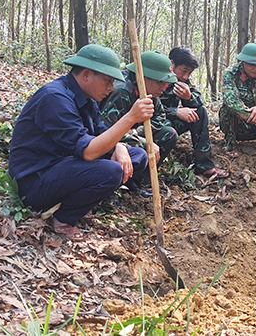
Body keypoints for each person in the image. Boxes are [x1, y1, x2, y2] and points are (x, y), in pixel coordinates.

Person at [8, 44, 154, 241]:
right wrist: (130, 118)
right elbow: (88, 152)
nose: (111, 88)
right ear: (86, 74)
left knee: (137, 156)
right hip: (35, 181)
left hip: (65, 164)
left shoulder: (87, 100)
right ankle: (62, 218)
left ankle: (83, 195)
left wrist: (119, 146)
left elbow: (101, 133)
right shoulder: (55, 97)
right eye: (107, 81)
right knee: (111, 171)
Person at [100, 50, 179, 171]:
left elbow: (160, 115)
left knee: (169, 133)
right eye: (160, 82)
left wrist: (138, 131)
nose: (164, 87)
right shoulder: (120, 91)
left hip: (132, 133)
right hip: (110, 141)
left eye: (166, 83)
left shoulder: (150, 91)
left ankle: (142, 179)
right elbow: (105, 129)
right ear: (142, 77)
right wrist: (141, 140)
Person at [160, 47, 228, 178]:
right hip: (152, 125)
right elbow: (147, 107)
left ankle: (204, 165)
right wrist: (176, 112)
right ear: (172, 64)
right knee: (166, 127)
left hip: (169, 122)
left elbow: (199, 100)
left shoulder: (183, 81)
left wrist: (189, 97)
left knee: (200, 112)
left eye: (189, 73)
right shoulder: (157, 76)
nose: (186, 77)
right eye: (184, 71)